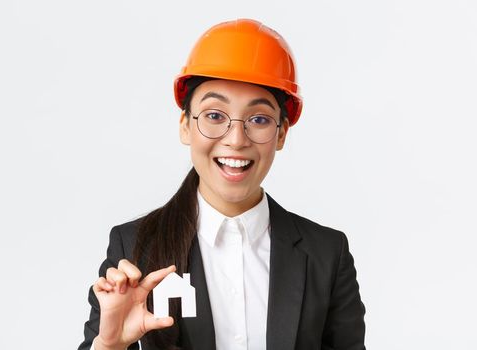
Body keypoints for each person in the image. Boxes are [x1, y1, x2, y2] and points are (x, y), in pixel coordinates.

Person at [78, 19, 366, 350]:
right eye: (215, 115)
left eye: (258, 119)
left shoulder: (326, 254)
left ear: (281, 133)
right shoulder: (134, 250)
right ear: (186, 125)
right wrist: (110, 345)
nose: (236, 140)